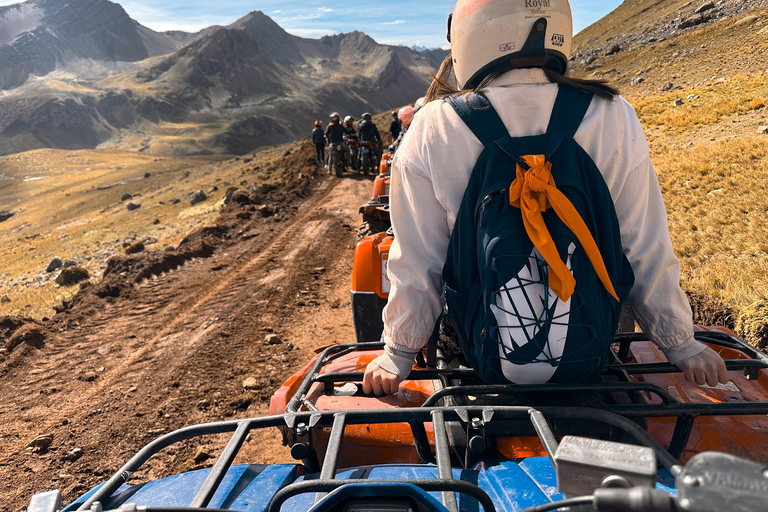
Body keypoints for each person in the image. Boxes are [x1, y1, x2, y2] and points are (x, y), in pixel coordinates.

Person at [362, 0, 729, 396]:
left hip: (474, 358)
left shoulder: (433, 125)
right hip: (589, 348)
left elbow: (419, 260)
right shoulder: (613, 114)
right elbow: (644, 243)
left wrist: (399, 350)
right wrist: (679, 341)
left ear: (470, 33)